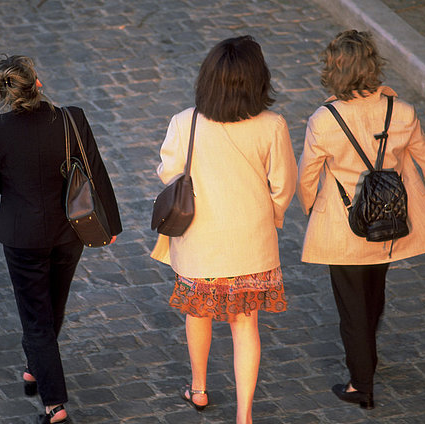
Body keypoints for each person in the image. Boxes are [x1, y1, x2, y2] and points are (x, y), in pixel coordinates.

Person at [151, 36, 297, 424]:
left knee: (198, 314)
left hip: (200, 240)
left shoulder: (185, 122)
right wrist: (271, 219)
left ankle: (198, 388)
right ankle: (244, 415)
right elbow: (283, 186)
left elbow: (168, 173)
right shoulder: (273, 125)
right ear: (258, 80)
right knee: (245, 323)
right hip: (252, 243)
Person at [296, 30, 425, 409]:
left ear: (334, 70)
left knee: (352, 309)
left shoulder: (325, 119)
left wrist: (309, 207)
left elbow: (308, 176)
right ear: (373, 66)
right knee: (374, 292)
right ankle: (368, 359)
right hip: (389, 221)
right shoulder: (402, 111)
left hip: (344, 226)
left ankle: (360, 385)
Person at [0, 55, 122, 424]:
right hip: (69, 230)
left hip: (22, 236)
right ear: (36, 83)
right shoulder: (72, 118)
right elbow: (95, 171)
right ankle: (34, 367)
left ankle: (55, 405)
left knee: (36, 318)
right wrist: (111, 226)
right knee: (53, 305)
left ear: (4, 94)